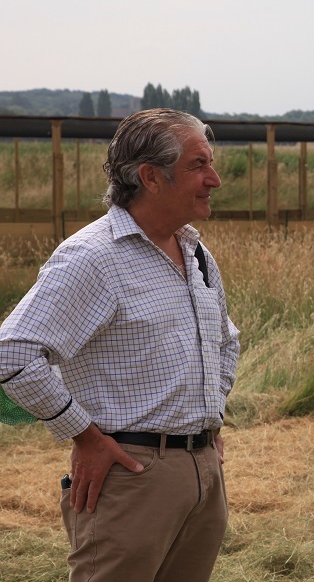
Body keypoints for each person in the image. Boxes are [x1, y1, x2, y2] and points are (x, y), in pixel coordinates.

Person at [0, 108, 240, 582]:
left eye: (210, 163)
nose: (213, 179)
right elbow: (13, 354)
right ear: (151, 176)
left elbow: (224, 341)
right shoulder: (94, 257)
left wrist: (206, 413)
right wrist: (84, 436)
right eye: (198, 165)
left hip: (203, 476)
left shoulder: (195, 251)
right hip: (130, 478)